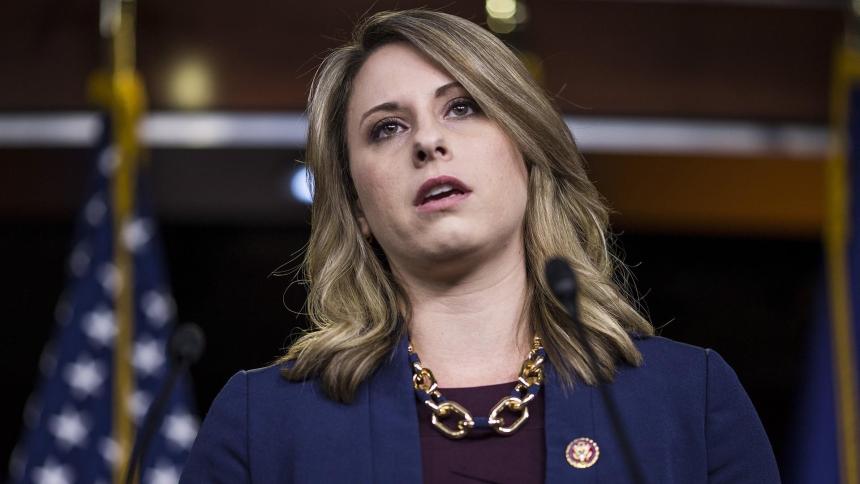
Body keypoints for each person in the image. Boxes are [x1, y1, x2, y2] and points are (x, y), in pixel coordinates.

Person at [180, 9, 780, 484]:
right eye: (387, 128)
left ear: (528, 151)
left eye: (462, 107)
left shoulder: (689, 399)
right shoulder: (262, 422)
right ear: (357, 205)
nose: (428, 141)